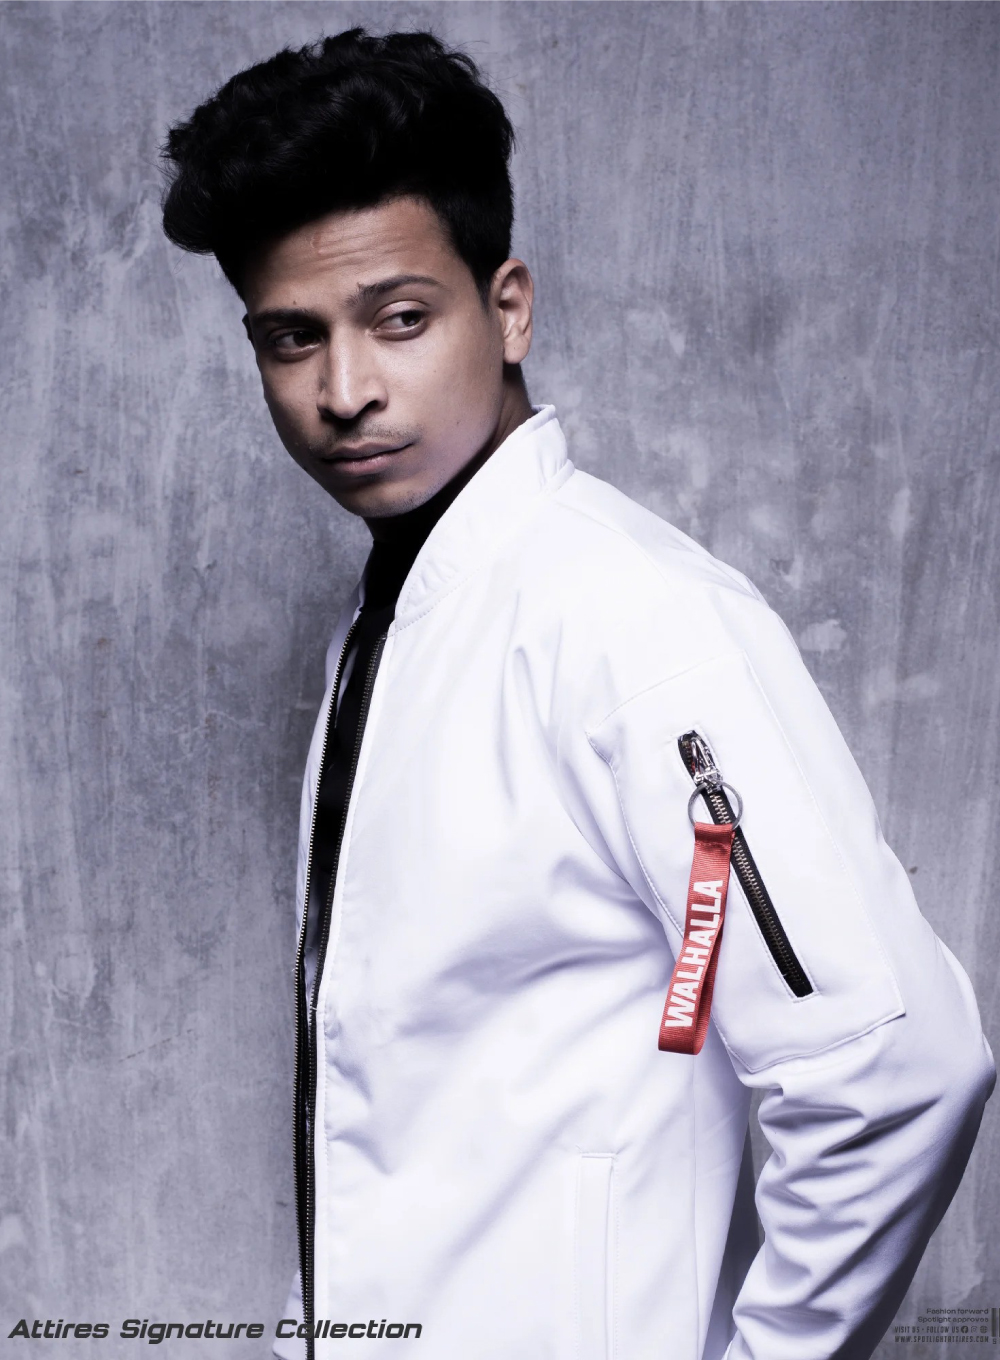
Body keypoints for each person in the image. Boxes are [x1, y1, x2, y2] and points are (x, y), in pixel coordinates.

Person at [160, 27, 994, 1360]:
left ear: (509, 310)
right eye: (290, 338)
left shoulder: (630, 617)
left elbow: (891, 1070)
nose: (344, 392)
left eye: (400, 319)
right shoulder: (391, 630)